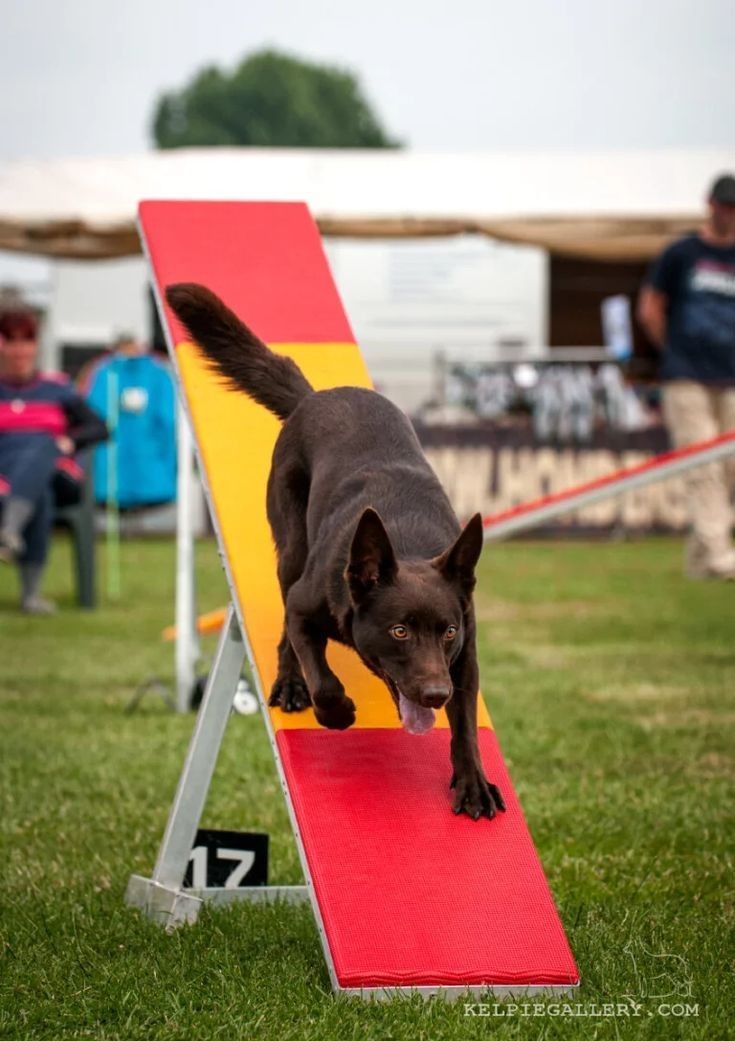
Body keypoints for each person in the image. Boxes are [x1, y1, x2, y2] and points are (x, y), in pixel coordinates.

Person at [638, 173, 735, 579]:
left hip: (731, 378)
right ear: (709, 204)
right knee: (702, 467)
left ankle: (701, 561)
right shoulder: (682, 253)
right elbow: (650, 307)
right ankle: (718, 554)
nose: (728, 214)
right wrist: (673, 351)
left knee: (729, 469)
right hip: (686, 377)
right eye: (723, 205)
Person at [0, 309, 107, 613]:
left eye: (26, 341)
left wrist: (69, 440)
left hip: (60, 475)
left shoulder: (57, 388)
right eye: (12, 341)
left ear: (35, 346)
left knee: (44, 445)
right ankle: (30, 594)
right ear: (2, 345)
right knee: (39, 492)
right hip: (6, 478)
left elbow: (99, 427)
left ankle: (10, 527)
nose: (20, 349)